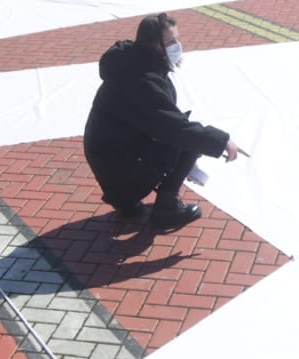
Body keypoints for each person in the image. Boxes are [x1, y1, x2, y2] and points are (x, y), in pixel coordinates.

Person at [84, 13, 247, 228]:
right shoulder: (140, 79)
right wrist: (221, 141)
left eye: (177, 39)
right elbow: (172, 127)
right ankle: (166, 208)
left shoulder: (134, 63)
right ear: (153, 44)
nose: (177, 46)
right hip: (119, 171)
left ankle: (128, 203)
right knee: (185, 138)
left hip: (113, 162)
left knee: (182, 132)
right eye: (170, 41)